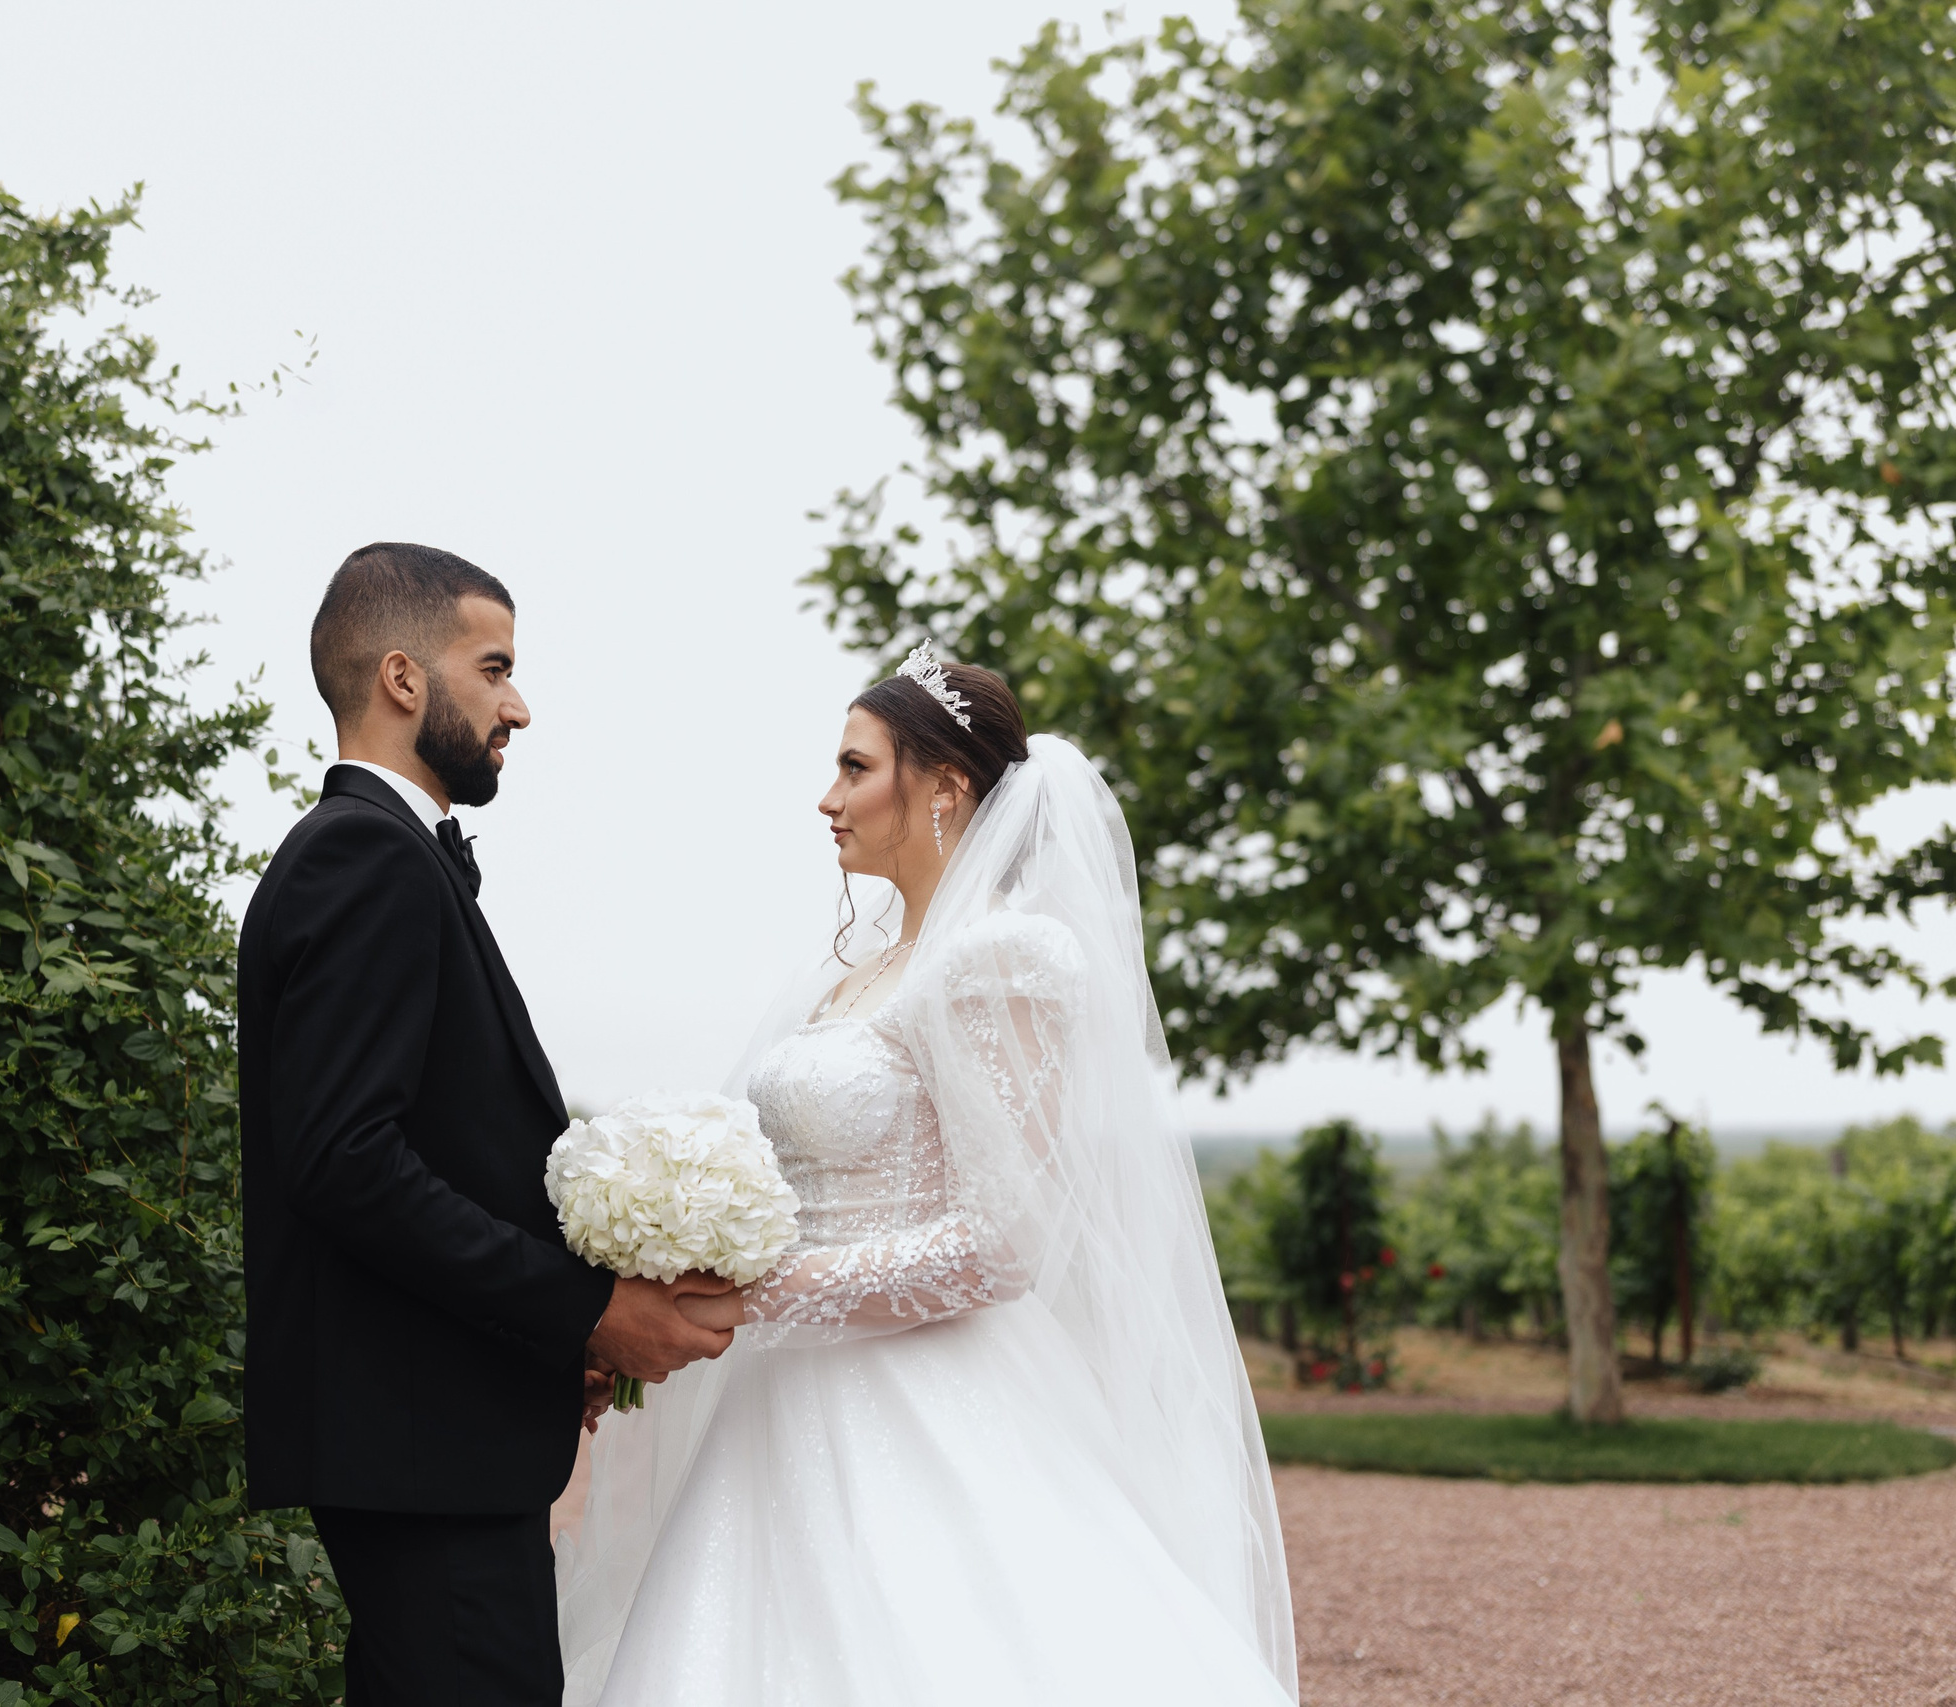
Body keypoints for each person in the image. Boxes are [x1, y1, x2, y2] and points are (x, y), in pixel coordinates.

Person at [555, 649, 1300, 1705]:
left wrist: (757, 1298)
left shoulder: (1001, 958)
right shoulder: (854, 974)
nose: (827, 798)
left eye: (855, 768)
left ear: (945, 784)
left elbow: (1005, 1242)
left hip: (931, 1398)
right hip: (782, 1407)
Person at [239, 542, 735, 1706]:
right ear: (404, 679)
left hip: (435, 1436)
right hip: (420, 1450)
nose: (520, 705)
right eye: (495, 667)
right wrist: (591, 1310)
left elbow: (446, 1149)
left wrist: (544, 1346)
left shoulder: (387, 858)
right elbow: (348, 1163)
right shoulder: (366, 858)